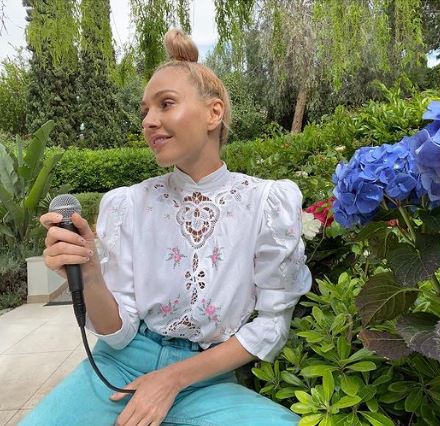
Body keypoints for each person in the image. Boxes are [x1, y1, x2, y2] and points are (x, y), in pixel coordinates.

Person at [21, 29, 311, 426]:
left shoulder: (266, 203)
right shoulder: (128, 205)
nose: (149, 121)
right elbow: (117, 332)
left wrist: (171, 379)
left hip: (207, 378)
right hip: (120, 367)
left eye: (166, 104)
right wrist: (89, 274)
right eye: (145, 111)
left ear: (214, 113)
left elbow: (271, 325)